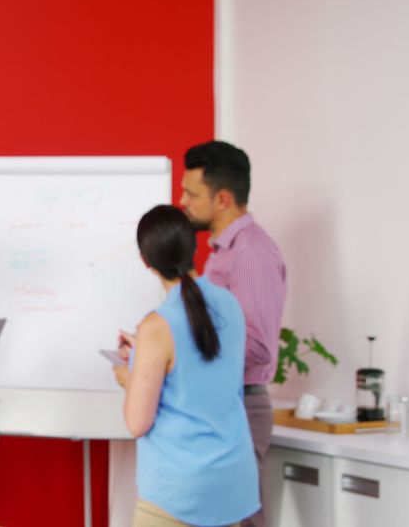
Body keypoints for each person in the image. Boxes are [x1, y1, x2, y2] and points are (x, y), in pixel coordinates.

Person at [113, 205, 259, 527]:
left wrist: (130, 375)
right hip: (231, 483)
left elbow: (137, 423)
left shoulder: (157, 326)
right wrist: (145, 354)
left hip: (179, 491)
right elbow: (204, 372)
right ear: (194, 245)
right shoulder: (229, 304)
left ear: (145, 261)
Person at [179, 140, 286, 527]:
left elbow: (257, 348)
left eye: (191, 193)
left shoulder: (252, 254)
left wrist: (186, 351)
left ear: (222, 199)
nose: (183, 201)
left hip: (239, 406)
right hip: (221, 404)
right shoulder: (222, 252)